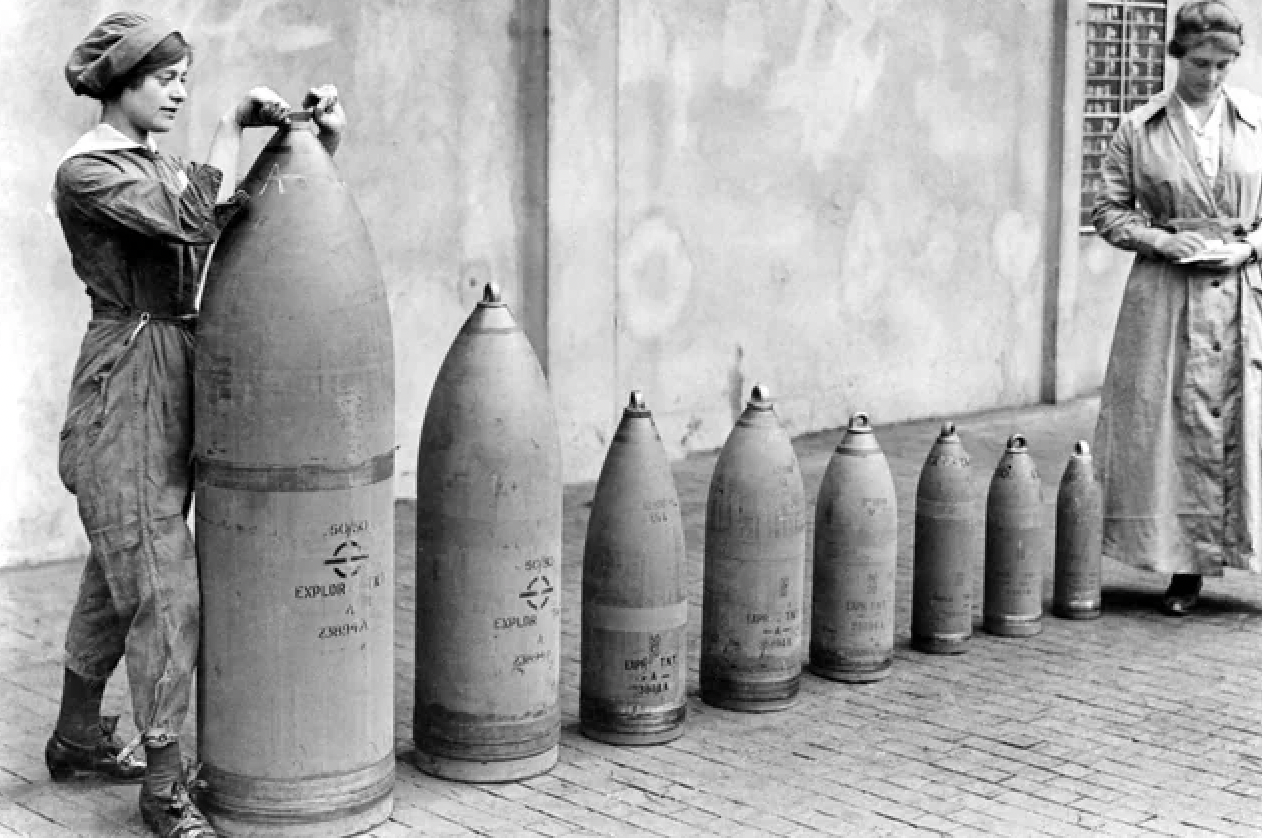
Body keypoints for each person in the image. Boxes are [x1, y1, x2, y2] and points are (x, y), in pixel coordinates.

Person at [48, 11, 345, 838]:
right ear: (120, 85)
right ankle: (166, 789)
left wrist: (314, 145)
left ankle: (75, 738)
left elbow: (231, 223)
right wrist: (223, 128)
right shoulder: (91, 172)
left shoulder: (154, 163)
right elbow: (187, 220)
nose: (179, 91)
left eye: (186, 78)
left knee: (124, 575)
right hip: (128, 377)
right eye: (163, 79)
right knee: (162, 587)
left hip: (176, 364)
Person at [1093, 0, 1262, 617]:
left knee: (1250, 427)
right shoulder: (1140, 128)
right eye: (1199, 63)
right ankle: (1183, 572)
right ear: (1177, 56)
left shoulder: (1256, 121)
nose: (1211, 77)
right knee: (1171, 429)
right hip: (1167, 296)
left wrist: (1246, 245)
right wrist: (1160, 239)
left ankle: (1247, 557)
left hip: (1244, 295)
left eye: (1223, 65)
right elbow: (1109, 210)